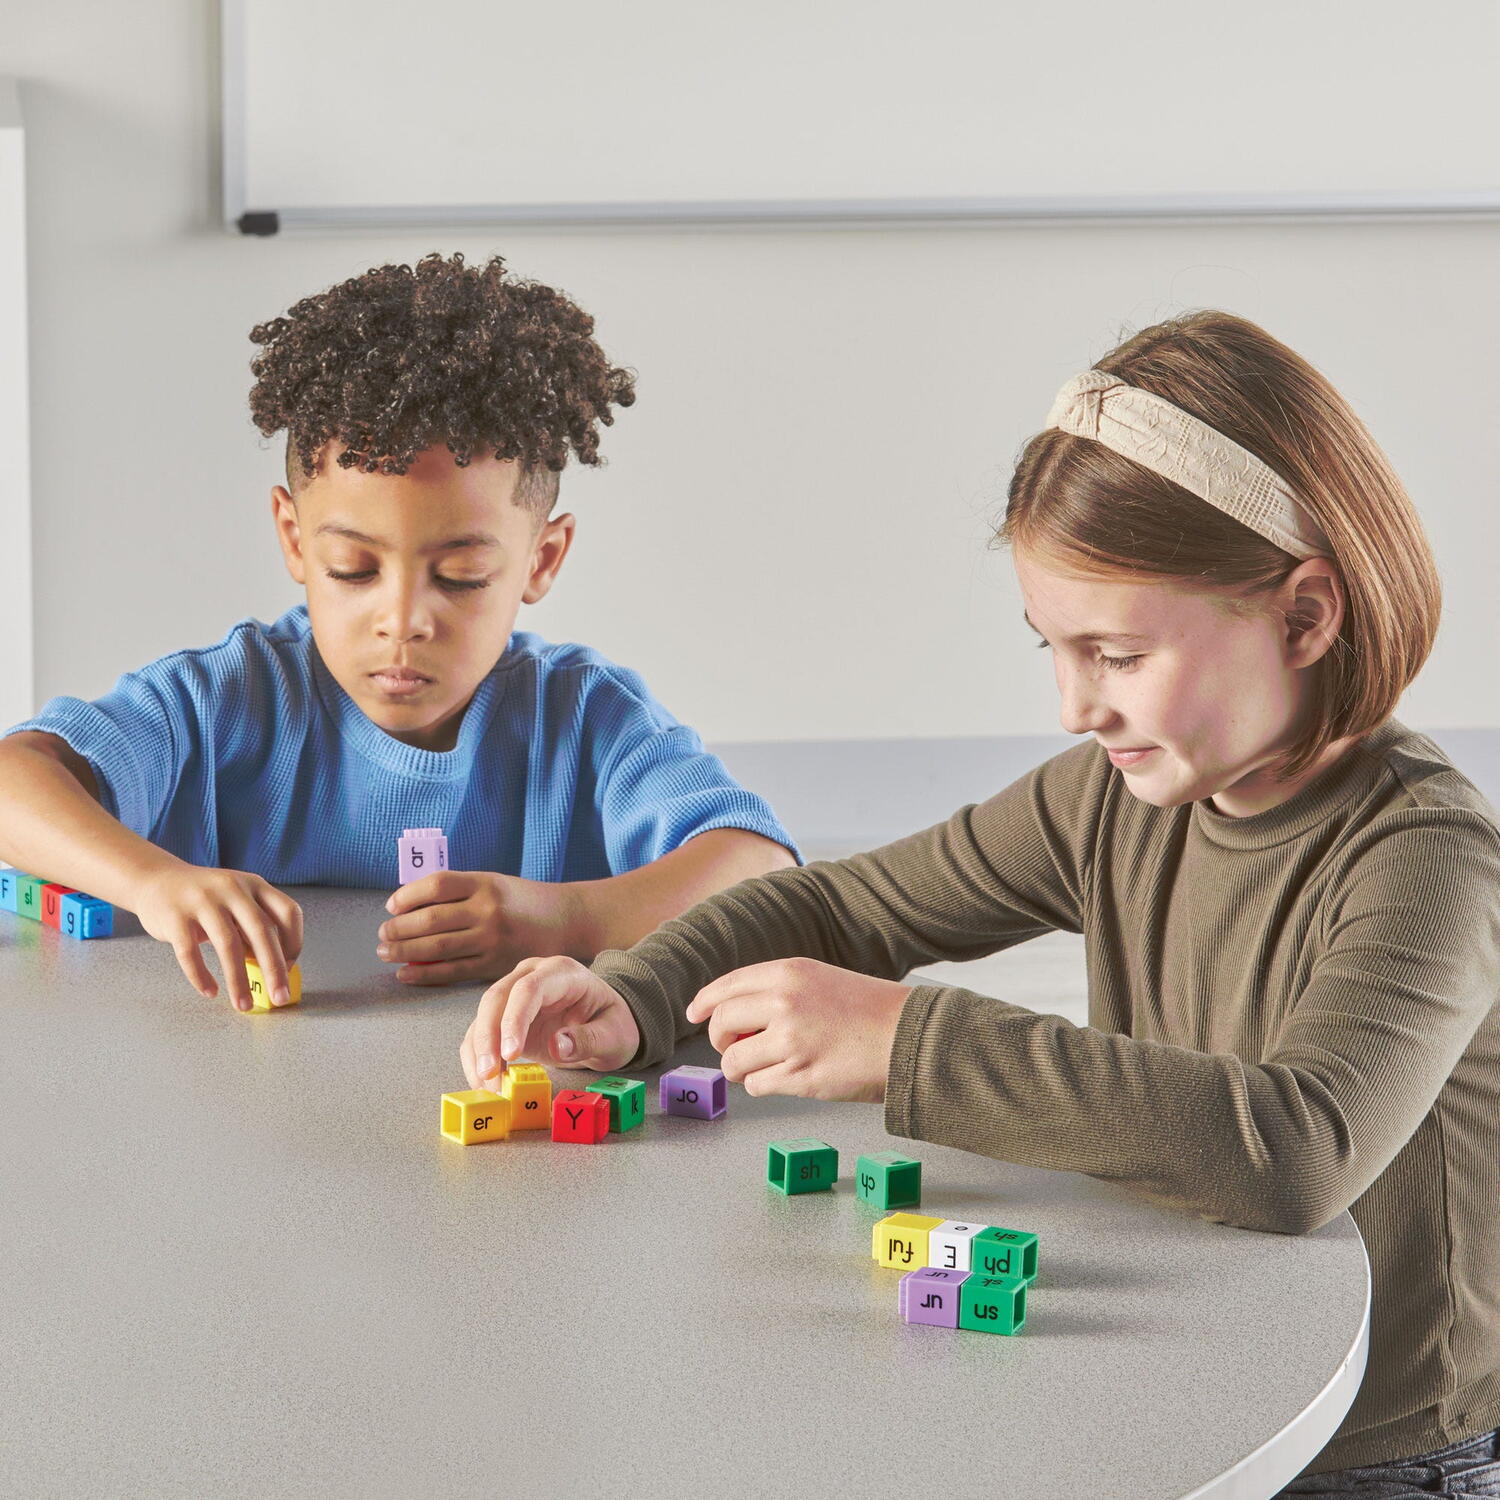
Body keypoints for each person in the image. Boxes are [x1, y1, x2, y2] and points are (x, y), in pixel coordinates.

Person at [457, 310, 1500, 1486]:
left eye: (1119, 656)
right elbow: (843, 909)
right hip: (1197, 1384)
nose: (1075, 707)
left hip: (1380, 1451)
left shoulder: (1430, 855)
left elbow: (1292, 1152)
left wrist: (907, 1040)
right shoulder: (1112, 797)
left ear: (1304, 617)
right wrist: (637, 995)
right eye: (1053, 648)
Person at [0, 253, 797, 1014]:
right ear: (294, 539)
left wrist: (570, 918)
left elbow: (762, 870)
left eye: (461, 577)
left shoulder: (586, 719)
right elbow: (13, 781)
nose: (403, 621)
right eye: (353, 569)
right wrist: (151, 881)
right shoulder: (222, 701)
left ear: (542, 558)